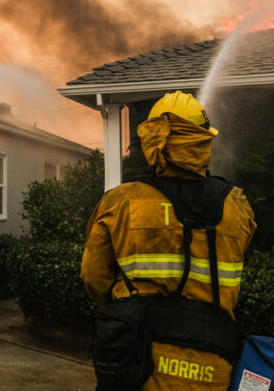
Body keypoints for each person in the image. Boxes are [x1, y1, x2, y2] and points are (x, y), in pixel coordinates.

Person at [81, 91, 256, 390]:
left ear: (152, 141)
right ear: (203, 141)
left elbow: (94, 278)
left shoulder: (120, 202)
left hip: (135, 361)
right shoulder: (237, 206)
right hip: (213, 366)